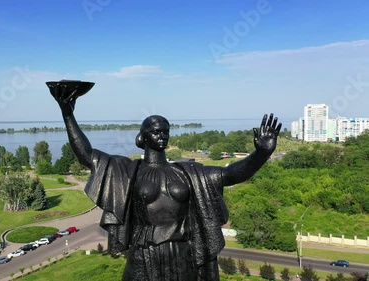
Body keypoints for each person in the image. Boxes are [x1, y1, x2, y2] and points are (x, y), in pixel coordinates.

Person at [51, 87, 281, 281]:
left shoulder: (187, 172)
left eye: (165, 131)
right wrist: (67, 114)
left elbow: (230, 174)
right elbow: (87, 155)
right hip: (144, 253)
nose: (162, 135)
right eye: (156, 131)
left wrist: (260, 154)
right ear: (143, 138)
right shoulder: (129, 171)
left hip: (183, 253)